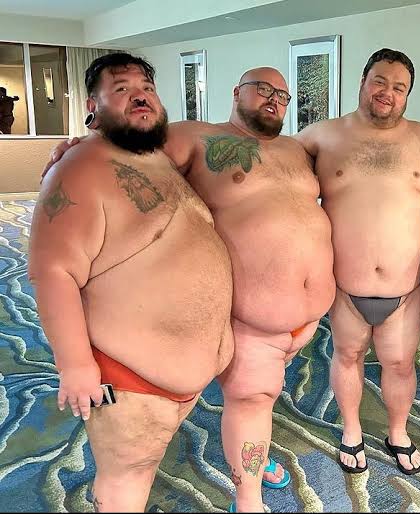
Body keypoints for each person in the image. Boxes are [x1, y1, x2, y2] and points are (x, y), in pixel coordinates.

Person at [44, 66, 336, 513]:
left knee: (266, 396)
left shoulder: (297, 149)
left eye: (283, 95)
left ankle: (253, 456)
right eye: (262, 89)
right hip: (248, 316)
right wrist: (82, 144)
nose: (274, 99)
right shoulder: (196, 136)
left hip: (305, 319)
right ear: (236, 92)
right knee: (252, 401)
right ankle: (248, 498)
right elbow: (131, 149)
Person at [28, 52, 234, 512]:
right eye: (121, 89)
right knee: (126, 481)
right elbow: (51, 271)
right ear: (93, 106)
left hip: (184, 369)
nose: (139, 95)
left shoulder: (159, 157)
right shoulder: (79, 168)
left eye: (146, 88)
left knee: (138, 470)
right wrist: (74, 365)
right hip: (128, 377)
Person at [295, 48, 420, 476]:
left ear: (407, 96)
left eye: (399, 87)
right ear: (362, 81)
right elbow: (277, 174)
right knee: (347, 355)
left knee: (400, 363)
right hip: (346, 286)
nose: (388, 92)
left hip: (407, 289)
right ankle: (351, 430)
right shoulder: (321, 136)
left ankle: (398, 433)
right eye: (379, 81)